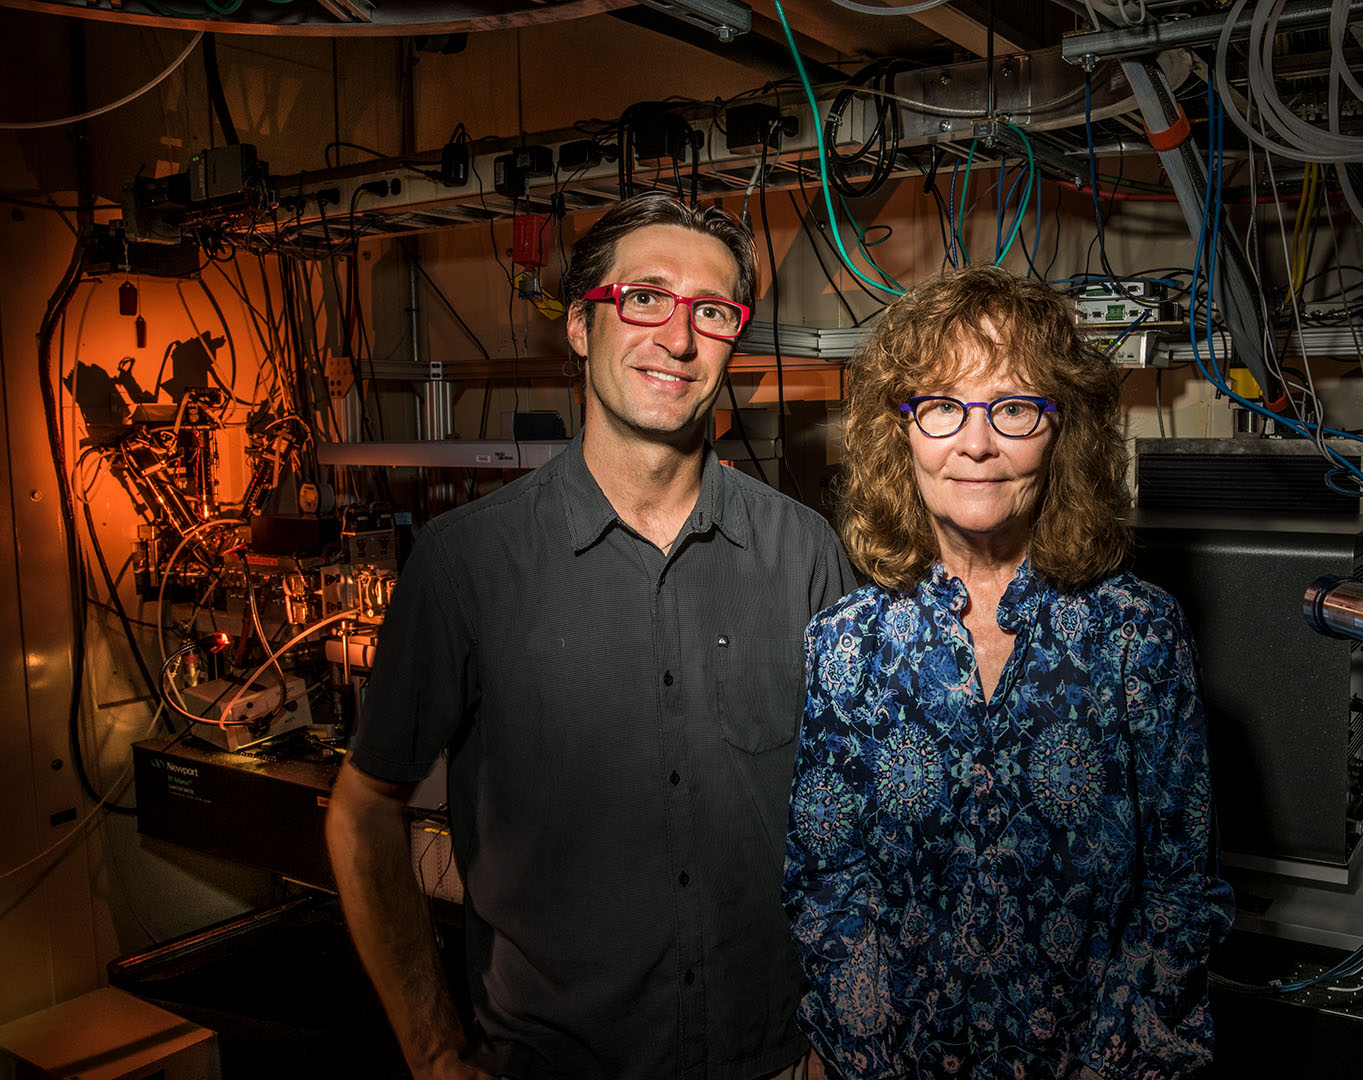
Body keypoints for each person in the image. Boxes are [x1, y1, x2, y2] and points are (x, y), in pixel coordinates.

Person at [326, 193, 857, 1080]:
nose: (678, 339)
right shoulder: (467, 563)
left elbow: (855, 823)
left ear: (733, 339)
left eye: (712, 312)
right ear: (580, 324)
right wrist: (432, 1052)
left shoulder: (804, 553)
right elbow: (364, 810)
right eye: (644, 298)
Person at [781, 266, 1232, 1079]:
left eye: (1015, 408)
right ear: (901, 430)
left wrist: (1111, 1066)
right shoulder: (845, 644)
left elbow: (1181, 892)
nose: (977, 443)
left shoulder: (1138, 635)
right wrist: (874, 1059)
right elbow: (827, 881)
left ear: (1064, 432)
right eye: (943, 406)